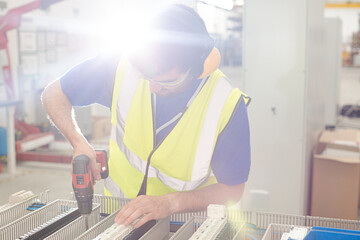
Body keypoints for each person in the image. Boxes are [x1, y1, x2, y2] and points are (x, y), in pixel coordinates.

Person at [42, 4, 251, 228]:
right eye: (147, 77)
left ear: (198, 69)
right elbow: (54, 94)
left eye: (167, 81)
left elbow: (233, 189)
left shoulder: (225, 103)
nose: (152, 88)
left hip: (183, 226)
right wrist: (78, 142)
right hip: (116, 219)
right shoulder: (121, 66)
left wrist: (170, 204)